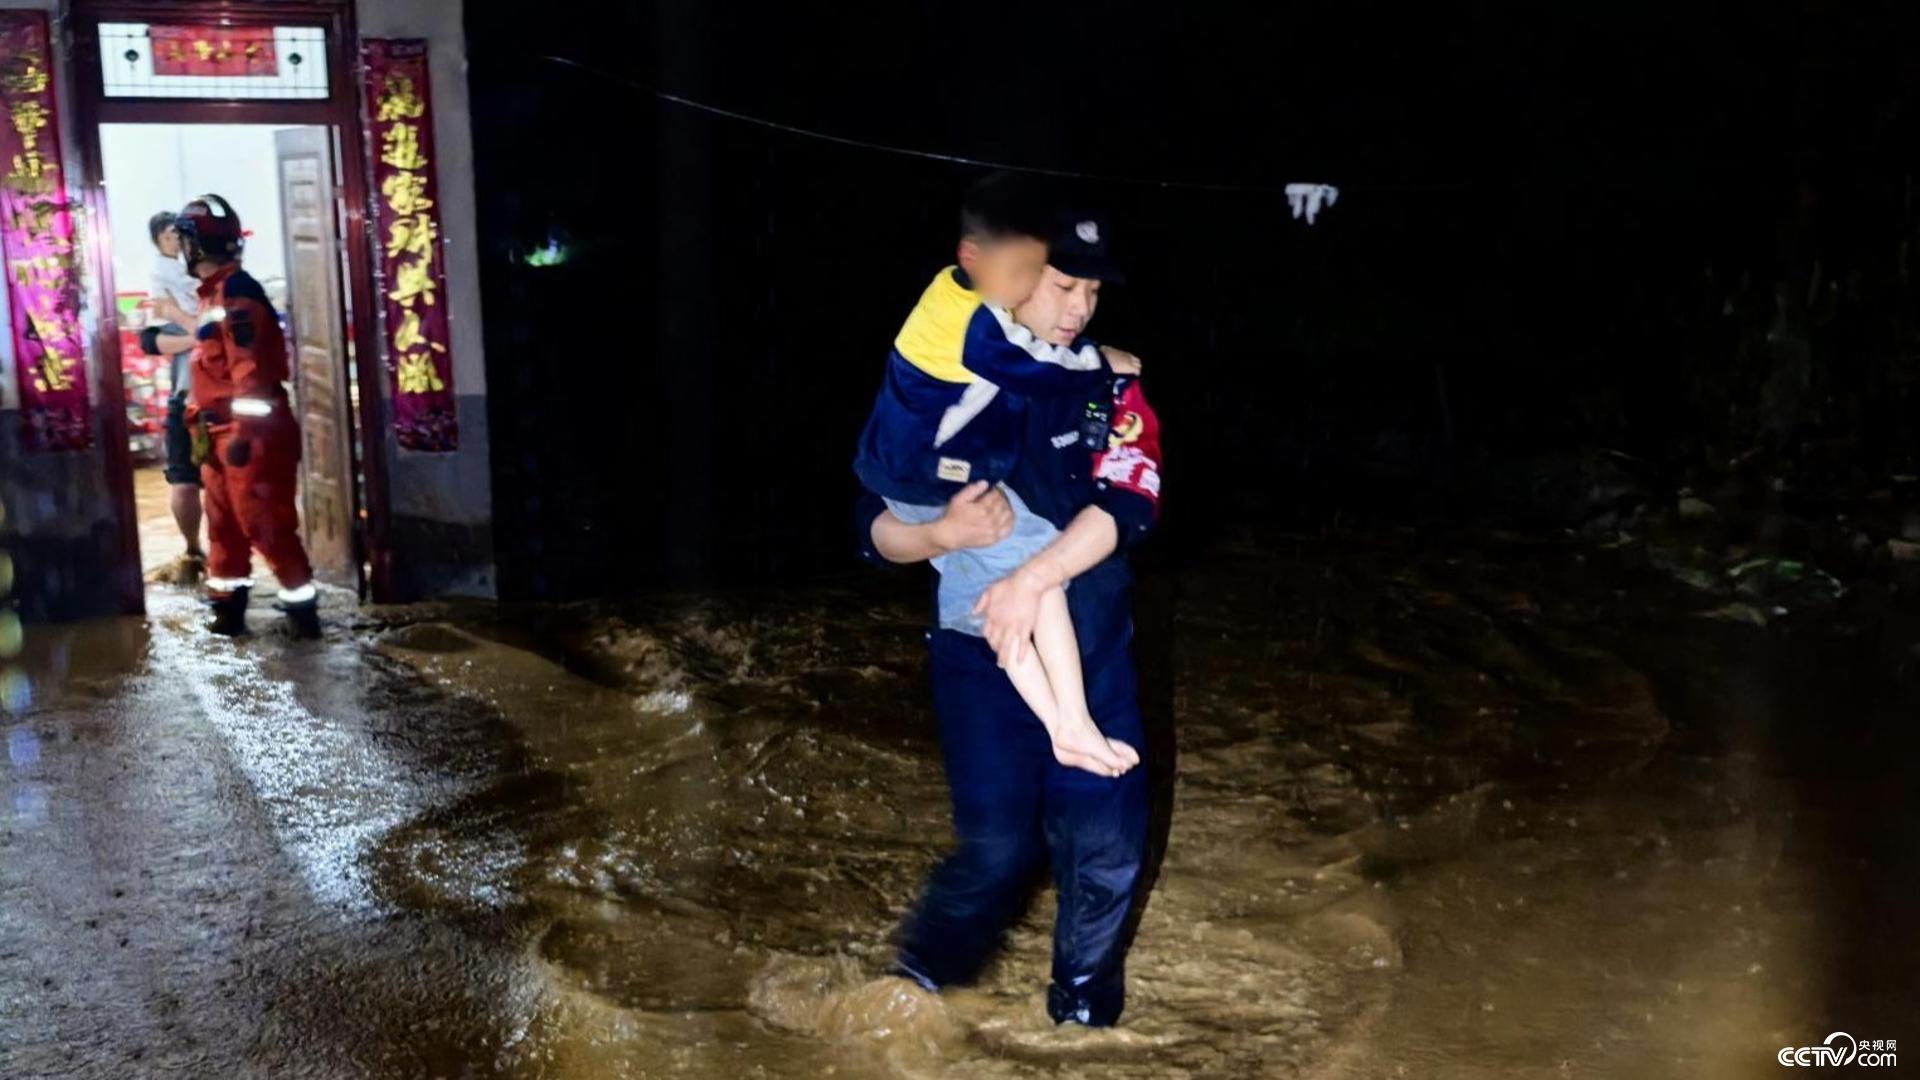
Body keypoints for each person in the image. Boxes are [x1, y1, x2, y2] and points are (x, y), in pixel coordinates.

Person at [858, 208, 1164, 1026]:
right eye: (1064, 285)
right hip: (976, 658)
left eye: (1093, 291)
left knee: (1105, 857)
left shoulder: (1113, 390)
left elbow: (1129, 500)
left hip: (1090, 653)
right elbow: (880, 532)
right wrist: (940, 534)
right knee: (997, 854)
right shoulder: (968, 366)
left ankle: (1085, 1025)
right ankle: (909, 1002)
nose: (1079, 307)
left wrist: (1035, 576)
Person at [852, 174, 1140, 777]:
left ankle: (1066, 725)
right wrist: (1098, 363)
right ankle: (1069, 724)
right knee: (1040, 581)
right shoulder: (979, 323)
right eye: (1044, 279)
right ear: (973, 260)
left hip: (915, 471)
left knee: (999, 603)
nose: (1074, 304)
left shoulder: (958, 294)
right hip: (924, 481)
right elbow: (1031, 365)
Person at [171, 194, 319, 638]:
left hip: (248, 436)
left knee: (265, 523)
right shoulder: (214, 292)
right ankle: (227, 608)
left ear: (196, 245)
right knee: (223, 527)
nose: (180, 249)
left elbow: (250, 371)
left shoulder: (237, 293)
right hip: (217, 434)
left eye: (183, 241)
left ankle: (302, 611)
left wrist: (243, 436)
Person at [143, 211, 207, 584]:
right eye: (167, 236)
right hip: (188, 399)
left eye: (178, 236)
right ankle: (195, 549)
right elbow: (150, 341)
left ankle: (213, 553)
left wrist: (181, 319)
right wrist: (197, 331)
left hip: (213, 401)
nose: (174, 242)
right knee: (185, 479)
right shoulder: (161, 275)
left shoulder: (197, 274)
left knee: (213, 480)